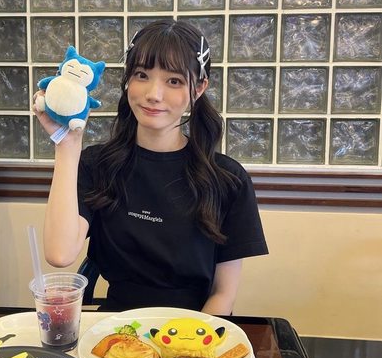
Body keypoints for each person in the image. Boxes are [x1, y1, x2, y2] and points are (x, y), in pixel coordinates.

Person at [33, 20, 268, 315]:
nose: (154, 94)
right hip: (116, 327)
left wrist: (189, 341)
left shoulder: (228, 179)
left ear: (199, 88)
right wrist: (67, 145)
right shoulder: (98, 165)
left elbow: (223, 295)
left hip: (195, 328)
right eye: (142, 75)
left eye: (174, 81)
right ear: (128, 80)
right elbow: (59, 254)